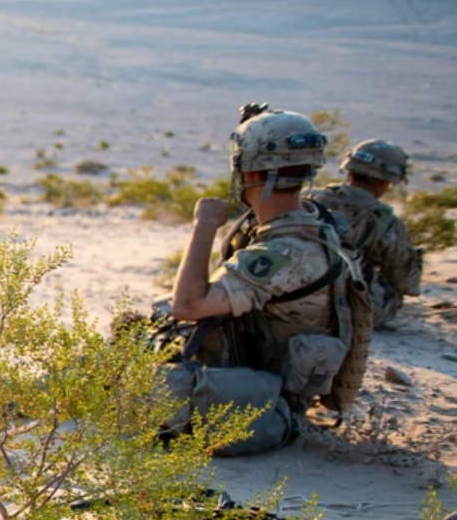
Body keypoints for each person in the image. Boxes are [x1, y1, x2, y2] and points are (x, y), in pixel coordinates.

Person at [161, 104, 366, 456]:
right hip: (258, 381)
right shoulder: (316, 221)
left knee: (111, 385)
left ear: (249, 171)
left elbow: (188, 305)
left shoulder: (286, 250)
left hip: (264, 403)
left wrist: (204, 225)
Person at [312, 139, 422, 328]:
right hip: (344, 309)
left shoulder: (309, 199)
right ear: (382, 182)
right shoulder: (385, 221)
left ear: (349, 171)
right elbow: (407, 283)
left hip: (292, 296)